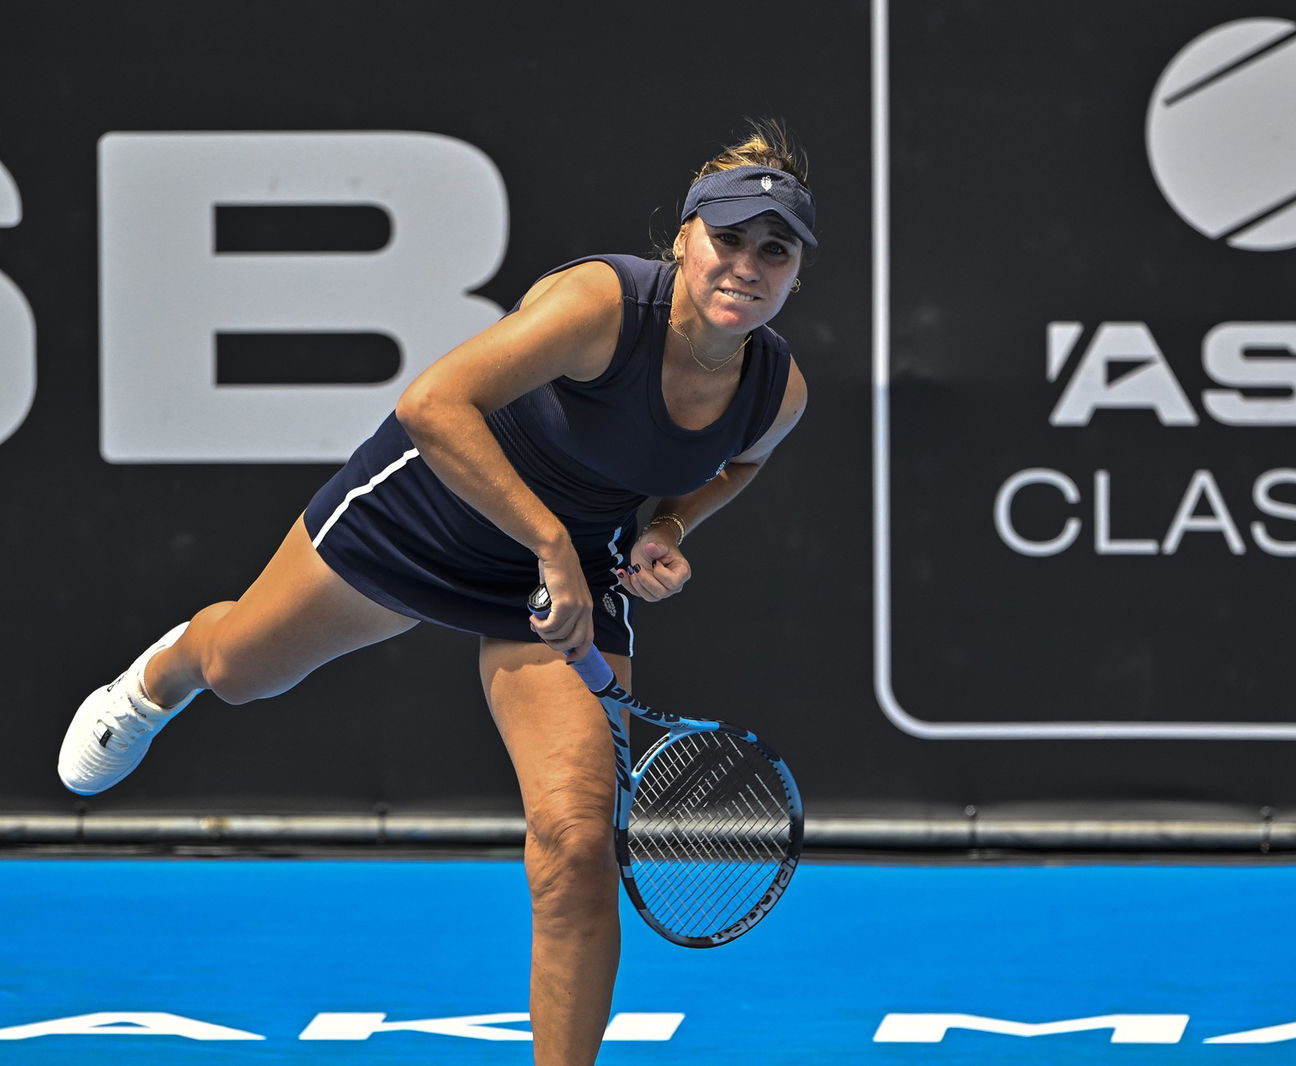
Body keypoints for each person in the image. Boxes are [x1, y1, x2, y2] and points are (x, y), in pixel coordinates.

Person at [56, 121, 816, 1066]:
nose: (746, 265)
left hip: (562, 582)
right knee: (242, 669)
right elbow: (433, 404)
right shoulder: (601, 305)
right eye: (728, 239)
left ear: (793, 274)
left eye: (773, 251)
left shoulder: (775, 392)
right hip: (430, 512)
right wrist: (548, 543)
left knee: (577, 845)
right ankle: (163, 675)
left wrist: (666, 529)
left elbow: (734, 468)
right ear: (685, 239)